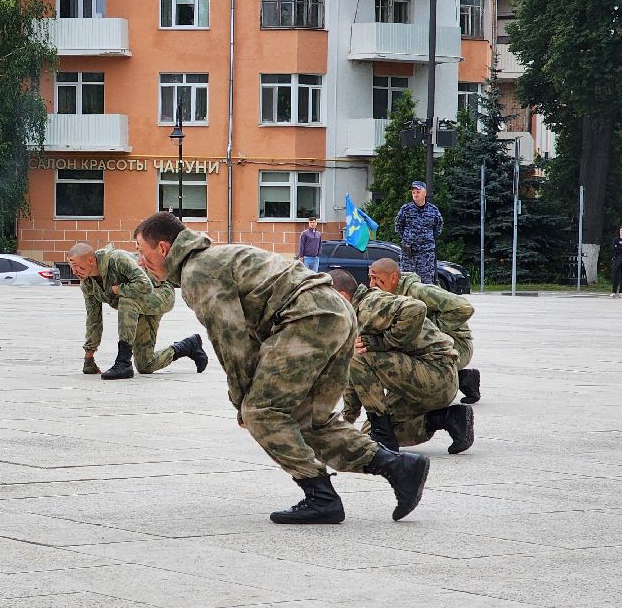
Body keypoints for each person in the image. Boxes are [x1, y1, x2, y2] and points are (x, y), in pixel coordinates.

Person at [132, 211, 429, 525]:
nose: (140, 259)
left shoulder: (198, 271)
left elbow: (230, 339)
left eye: (142, 250)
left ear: (163, 248)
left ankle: (321, 496)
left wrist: (244, 403)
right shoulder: (211, 259)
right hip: (335, 313)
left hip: (310, 318)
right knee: (309, 420)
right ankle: (399, 468)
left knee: (261, 410)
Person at [328, 268, 473, 456]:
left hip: (438, 374)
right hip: (420, 378)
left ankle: (384, 437)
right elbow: (353, 378)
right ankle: (447, 418)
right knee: (367, 434)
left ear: (342, 296)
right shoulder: (353, 316)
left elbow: (417, 308)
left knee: (358, 355)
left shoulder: (370, 304)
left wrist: (385, 342)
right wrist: (346, 423)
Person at [66, 241, 207, 380]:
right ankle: (189, 345)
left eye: (76, 266)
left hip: (159, 293)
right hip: (136, 307)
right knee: (145, 365)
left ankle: (123, 361)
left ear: (90, 260)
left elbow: (145, 285)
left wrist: (117, 289)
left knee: (126, 298)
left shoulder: (117, 259)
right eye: (71, 267)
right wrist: (89, 357)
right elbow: (93, 319)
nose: (74, 271)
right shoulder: (88, 284)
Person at [368, 255, 481, 405]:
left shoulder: (419, 291)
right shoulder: (387, 296)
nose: (371, 284)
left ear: (393, 277)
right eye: (370, 278)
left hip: (458, 346)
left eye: (376, 278)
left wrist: (431, 327)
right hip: (437, 347)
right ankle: (464, 378)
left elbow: (465, 308)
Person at [395, 180, 443, 284]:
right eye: (413, 192)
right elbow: (398, 226)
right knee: (407, 283)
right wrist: (408, 238)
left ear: (425, 193)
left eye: (418, 192)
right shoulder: (406, 209)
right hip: (409, 254)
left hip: (426, 255)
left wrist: (427, 239)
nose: (415, 194)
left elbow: (438, 228)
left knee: (426, 284)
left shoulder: (433, 210)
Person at [610, 224, 622, 297]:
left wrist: (620, 248)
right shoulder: (616, 239)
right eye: (621, 230)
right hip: (617, 259)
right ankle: (614, 291)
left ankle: (621, 292)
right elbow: (614, 248)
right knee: (616, 275)